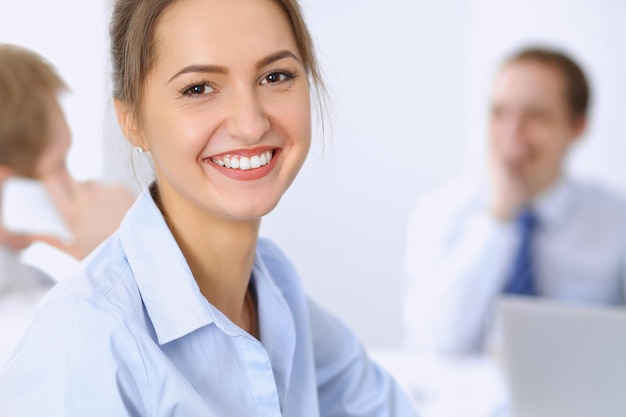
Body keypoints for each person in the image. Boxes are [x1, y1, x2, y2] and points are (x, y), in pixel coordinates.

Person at [0, 1, 417, 415]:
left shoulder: (277, 290)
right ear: (131, 121)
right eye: (198, 88)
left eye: (275, 76)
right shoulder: (86, 338)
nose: (250, 124)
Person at [403, 46, 626, 355]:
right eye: (499, 113)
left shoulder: (616, 221)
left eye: (534, 116)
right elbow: (434, 338)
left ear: (576, 127)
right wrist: (498, 215)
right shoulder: (439, 212)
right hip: (466, 400)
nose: (512, 132)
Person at [0, 44, 135, 365]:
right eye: (58, 165)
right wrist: (126, 250)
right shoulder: (31, 326)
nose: (74, 184)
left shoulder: (29, 285)